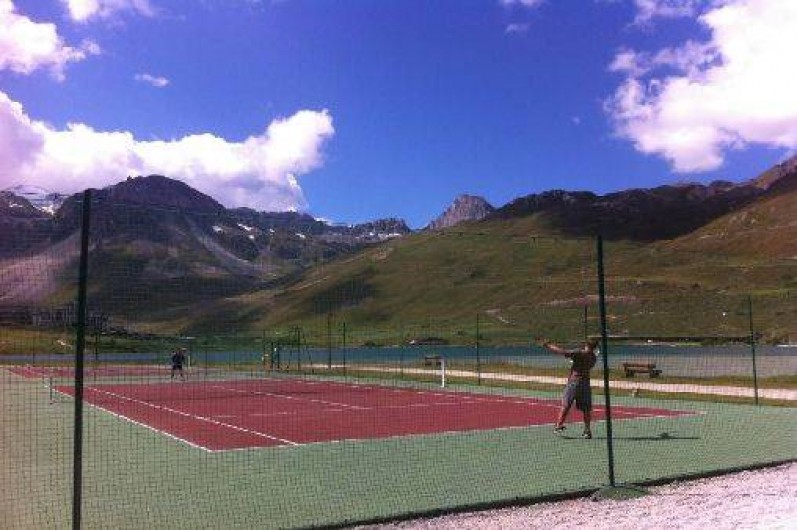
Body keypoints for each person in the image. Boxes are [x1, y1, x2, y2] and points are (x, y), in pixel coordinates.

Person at [541, 337, 599, 439]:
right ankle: (587, 431)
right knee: (586, 409)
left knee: (566, 405)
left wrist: (548, 345)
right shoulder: (593, 357)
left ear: (586, 344)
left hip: (574, 383)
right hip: (585, 384)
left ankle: (559, 425)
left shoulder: (579, 353)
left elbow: (562, 352)